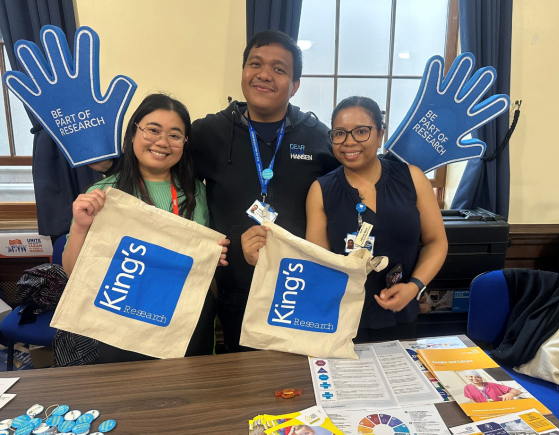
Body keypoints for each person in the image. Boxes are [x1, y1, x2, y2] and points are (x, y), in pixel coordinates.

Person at [91, 31, 339, 353]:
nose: (264, 74)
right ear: (243, 73)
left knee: (299, 382)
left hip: (299, 289)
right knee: (241, 385)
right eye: (255, 64)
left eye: (279, 69)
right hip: (235, 290)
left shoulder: (319, 138)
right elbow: (161, 158)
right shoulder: (208, 133)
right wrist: (110, 164)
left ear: (294, 85)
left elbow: (351, 183)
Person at [242, 96, 447, 342]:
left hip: (401, 314)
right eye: (339, 133)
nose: (349, 142)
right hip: (340, 319)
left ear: (380, 134)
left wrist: (415, 286)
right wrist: (266, 256)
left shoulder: (412, 178)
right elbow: (317, 262)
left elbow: (437, 242)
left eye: (361, 131)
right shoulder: (321, 190)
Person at [63, 93, 229, 362]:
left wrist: (212, 257)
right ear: (133, 133)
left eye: (175, 135)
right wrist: (81, 227)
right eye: (153, 130)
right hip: (120, 322)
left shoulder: (197, 192)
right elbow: (73, 273)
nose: (162, 142)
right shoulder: (104, 194)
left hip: (182, 320)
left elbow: (203, 266)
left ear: (185, 144)